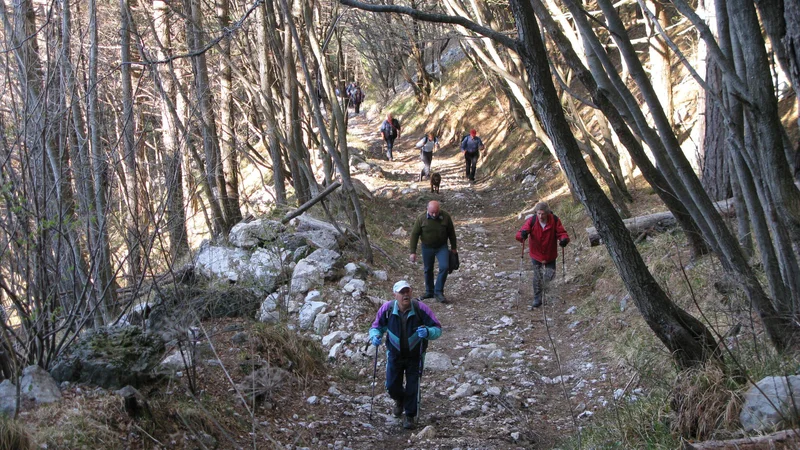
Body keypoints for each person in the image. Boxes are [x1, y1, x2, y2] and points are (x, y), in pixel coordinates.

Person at [370, 280, 442, 430]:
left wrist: (428, 332)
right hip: (394, 354)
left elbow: (437, 328)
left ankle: (409, 415)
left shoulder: (420, 308)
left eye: (407, 291)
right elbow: (376, 327)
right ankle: (400, 400)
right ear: (394, 294)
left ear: (411, 292)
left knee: (413, 386)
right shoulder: (387, 309)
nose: (405, 294)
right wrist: (375, 336)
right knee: (391, 385)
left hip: (415, 354)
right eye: (402, 292)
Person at [515, 201, 570, 308]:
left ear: (547, 213)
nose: (540, 216)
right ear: (536, 213)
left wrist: (564, 240)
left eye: (543, 214)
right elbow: (520, 233)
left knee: (550, 275)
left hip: (550, 253)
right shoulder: (532, 220)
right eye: (538, 213)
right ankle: (537, 298)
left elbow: (562, 233)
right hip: (536, 253)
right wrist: (523, 235)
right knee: (537, 276)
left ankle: (546, 292)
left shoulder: (554, 220)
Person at [409, 201, 457, 303]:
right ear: (427, 210)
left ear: (439, 209)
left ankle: (438, 292)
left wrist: (454, 248)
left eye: (436, 212)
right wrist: (412, 252)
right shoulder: (421, 218)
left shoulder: (445, 216)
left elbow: (451, 232)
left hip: (441, 247)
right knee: (428, 269)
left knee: (444, 267)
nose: (434, 215)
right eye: (432, 213)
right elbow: (414, 235)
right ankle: (429, 291)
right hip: (426, 247)